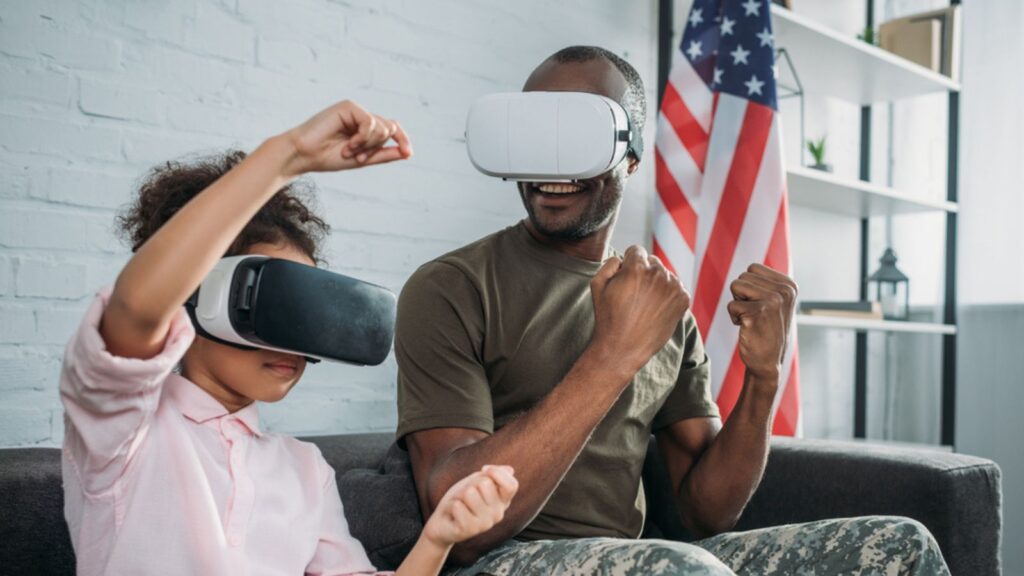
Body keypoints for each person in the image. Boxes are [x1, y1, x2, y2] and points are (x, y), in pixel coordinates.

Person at [394, 46, 950, 575]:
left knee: (900, 545)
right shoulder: (452, 288)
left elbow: (705, 514)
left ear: (631, 155)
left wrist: (763, 378)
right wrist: (612, 356)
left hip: (645, 558)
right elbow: (460, 532)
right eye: (536, 137)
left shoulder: (663, 307)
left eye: (580, 138)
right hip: (505, 561)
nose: (550, 165)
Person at [60, 99, 518, 576]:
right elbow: (136, 309)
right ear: (198, 295)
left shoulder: (304, 470)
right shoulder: (124, 430)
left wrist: (438, 537)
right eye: (279, 307)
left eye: (307, 315)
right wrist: (286, 157)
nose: (295, 342)